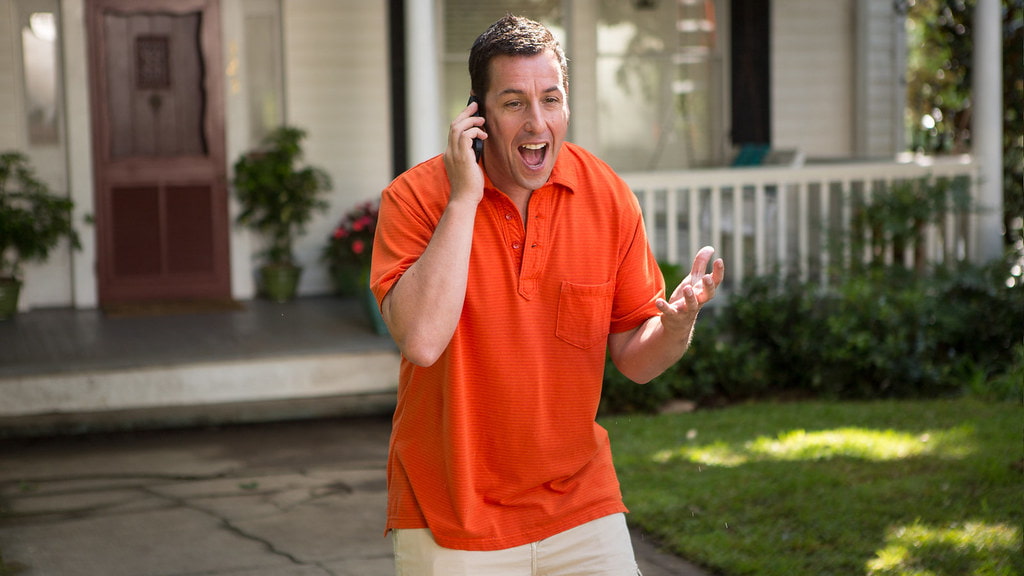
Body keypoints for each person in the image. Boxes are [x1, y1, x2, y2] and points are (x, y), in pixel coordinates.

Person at [370, 14, 725, 575]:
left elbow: (635, 358)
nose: (538, 122)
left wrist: (676, 326)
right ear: (476, 115)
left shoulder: (606, 195)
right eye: (513, 103)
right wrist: (465, 198)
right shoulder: (415, 198)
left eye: (551, 99)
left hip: (579, 504)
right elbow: (420, 340)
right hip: (449, 513)